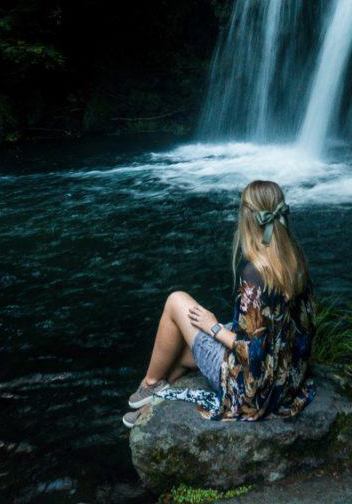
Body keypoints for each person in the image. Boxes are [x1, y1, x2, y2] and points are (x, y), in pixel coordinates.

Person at [123, 179, 315, 425]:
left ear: (247, 216)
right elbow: (304, 327)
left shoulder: (255, 272)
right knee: (181, 351)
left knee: (176, 301)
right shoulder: (295, 259)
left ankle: (149, 385)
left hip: (250, 389)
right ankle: (149, 407)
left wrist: (214, 327)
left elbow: (253, 352)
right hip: (286, 380)